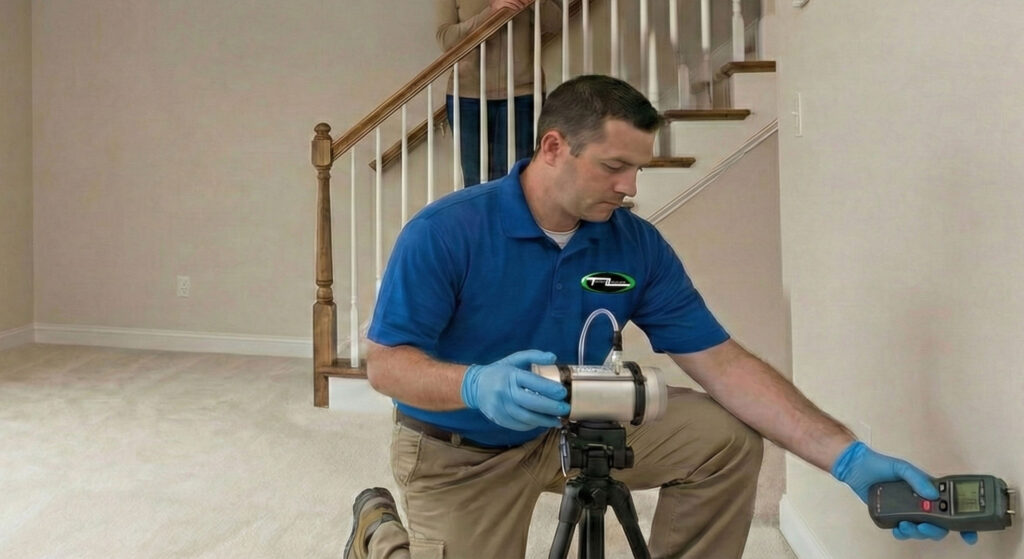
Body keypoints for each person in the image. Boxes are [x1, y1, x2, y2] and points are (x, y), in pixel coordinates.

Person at [343, 75, 979, 559]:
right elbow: (387, 365)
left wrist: (850, 459)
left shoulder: (633, 245)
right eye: (614, 166)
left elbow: (722, 363)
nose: (630, 187)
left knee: (724, 440)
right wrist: (475, 384)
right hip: (460, 449)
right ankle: (381, 533)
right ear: (554, 147)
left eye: (638, 169)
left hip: (573, 424)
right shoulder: (446, 232)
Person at [436, 0, 562, 186]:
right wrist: (492, 13)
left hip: (522, 94)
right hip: (468, 96)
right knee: (475, 182)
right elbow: (446, 39)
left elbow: (557, 23)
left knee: (515, 180)